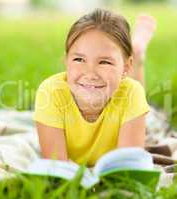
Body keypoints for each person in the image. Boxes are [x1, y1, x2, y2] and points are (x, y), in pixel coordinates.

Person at [33, 8, 150, 167]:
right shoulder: (50, 92)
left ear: (126, 67)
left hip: (128, 93)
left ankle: (138, 55)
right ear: (66, 60)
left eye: (104, 62)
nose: (90, 73)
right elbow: (57, 168)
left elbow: (128, 168)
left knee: (148, 114)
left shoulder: (132, 93)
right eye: (79, 59)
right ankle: (134, 52)